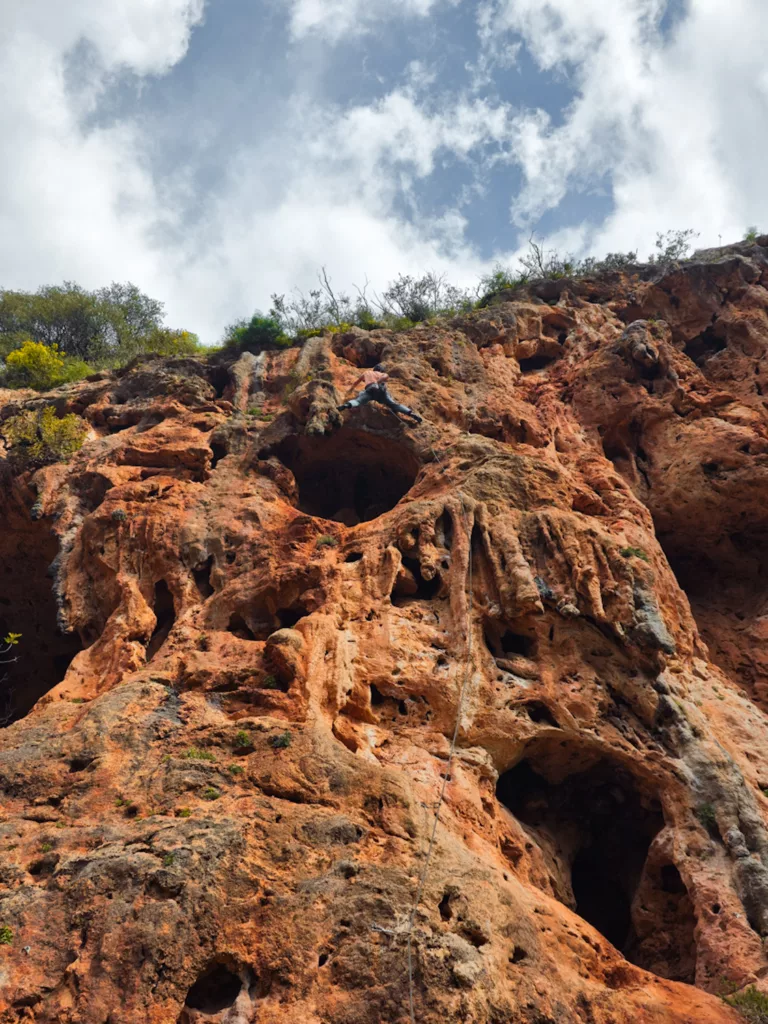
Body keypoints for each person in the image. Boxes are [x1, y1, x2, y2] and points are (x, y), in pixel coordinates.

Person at [339, 364, 422, 424]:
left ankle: (347, 405)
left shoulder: (367, 373)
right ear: (380, 370)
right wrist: (378, 382)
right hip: (381, 390)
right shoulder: (382, 374)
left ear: (374, 369)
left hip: (370, 389)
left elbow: (355, 383)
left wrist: (350, 390)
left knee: (359, 400)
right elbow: (386, 377)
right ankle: (410, 413)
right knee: (394, 404)